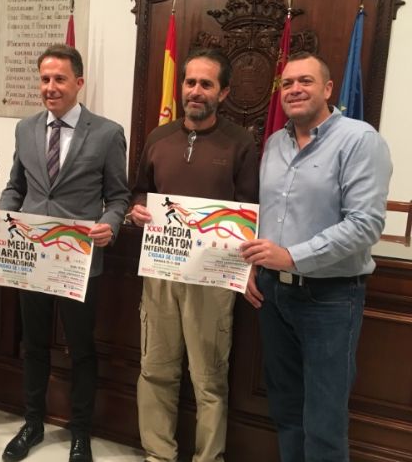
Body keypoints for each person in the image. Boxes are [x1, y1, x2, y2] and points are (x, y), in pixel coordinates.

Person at [240, 52, 392, 462]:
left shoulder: (360, 141)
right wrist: (252, 264)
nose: (294, 89)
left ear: (327, 89)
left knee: (324, 420)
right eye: (287, 83)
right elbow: (268, 215)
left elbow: (364, 225)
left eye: (304, 81)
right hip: (273, 295)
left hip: (330, 298)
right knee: (286, 409)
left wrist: (291, 257)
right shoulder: (275, 143)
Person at [0, 44, 129, 462]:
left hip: (77, 261)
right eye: (45, 79)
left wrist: (110, 225)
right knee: (33, 344)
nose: (50, 87)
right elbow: (17, 187)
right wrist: (1, 212)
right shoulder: (25, 128)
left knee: (81, 349)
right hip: (30, 258)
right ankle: (32, 423)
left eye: (59, 79)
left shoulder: (107, 133)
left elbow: (118, 196)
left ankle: (80, 431)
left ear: (79, 82)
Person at [129, 47, 259, 462]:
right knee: (155, 370)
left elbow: (250, 209)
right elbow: (140, 191)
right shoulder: (158, 138)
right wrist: (137, 210)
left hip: (213, 278)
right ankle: (158, 454)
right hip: (160, 272)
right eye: (190, 82)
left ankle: (208, 458)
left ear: (223, 93)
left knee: (209, 380)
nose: (196, 91)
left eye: (206, 84)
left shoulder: (241, 143)